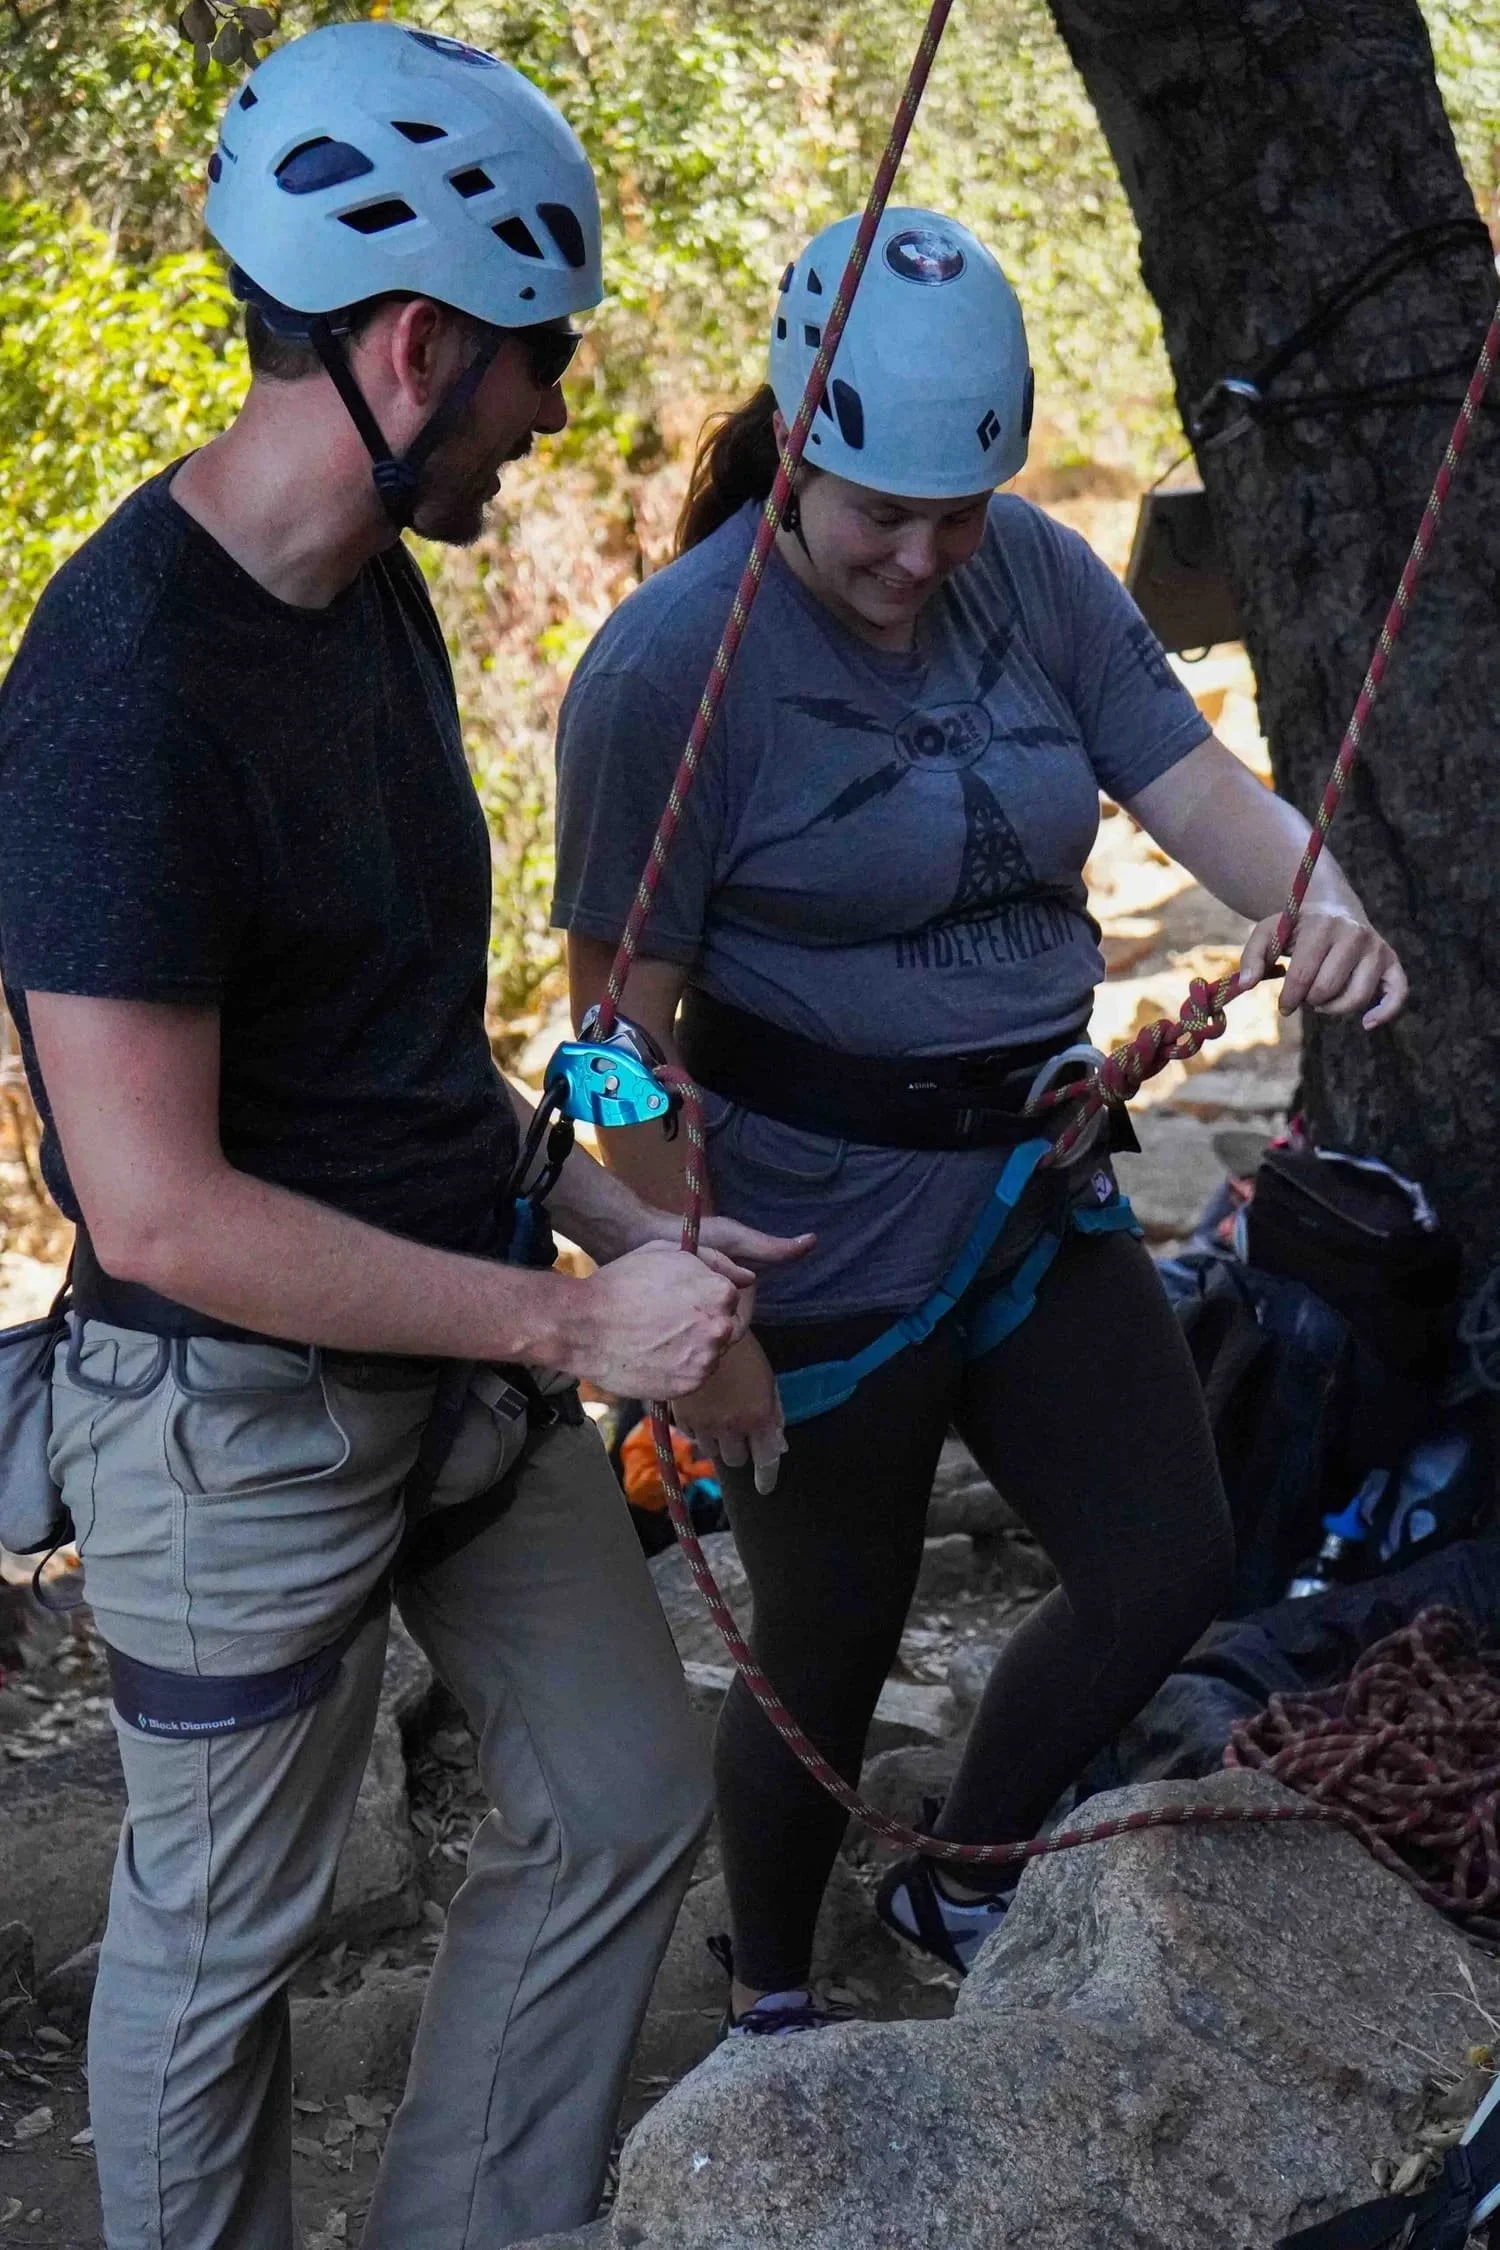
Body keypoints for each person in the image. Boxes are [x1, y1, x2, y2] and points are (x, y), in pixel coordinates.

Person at [0, 24, 808, 2247]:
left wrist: (649, 1218)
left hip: (454, 1351)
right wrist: (577, 1330)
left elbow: (409, 1050)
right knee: (218, 1950)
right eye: (535, 359)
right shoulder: (118, 693)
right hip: (236, 1419)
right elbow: (161, 1208)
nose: (554, 406)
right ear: (415, 340)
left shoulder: (375, 603)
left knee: (633, 1789)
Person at [554, 207, 1407, 2033]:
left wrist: (1315, 895)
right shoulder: (668, 675)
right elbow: (609, 1035)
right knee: (833, 1639)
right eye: (883, 515)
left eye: (960, 510)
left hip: (1029, 1186)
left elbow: (1192, 783)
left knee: (1168, 1556)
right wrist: (677, 1272)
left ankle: (966, 1865)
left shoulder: (1026, 570)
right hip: (808, 1236)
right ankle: (772, 1991)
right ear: (798, 450)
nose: (925, 558)